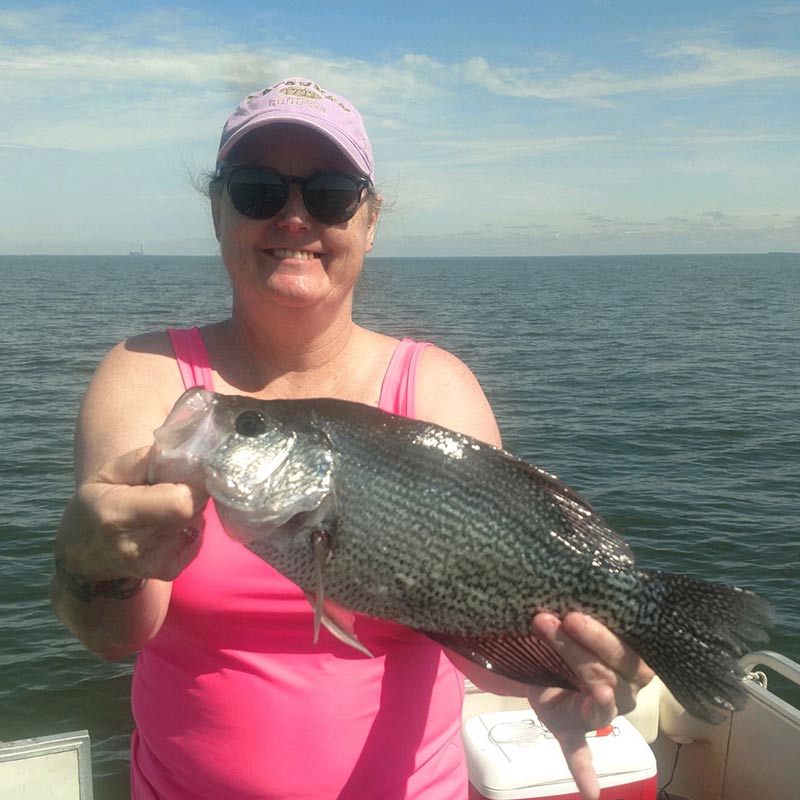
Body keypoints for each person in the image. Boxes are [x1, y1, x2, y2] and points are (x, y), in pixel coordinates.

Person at [51, 77, 653, 800]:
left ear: (369, 222)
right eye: (257, 190)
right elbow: (116, 636)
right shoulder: (147, 379)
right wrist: (89, 565)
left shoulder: (435, 388)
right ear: (217, 213)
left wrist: (549, 680)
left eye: (331, 195)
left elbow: (471, 622)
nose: (295, 217)